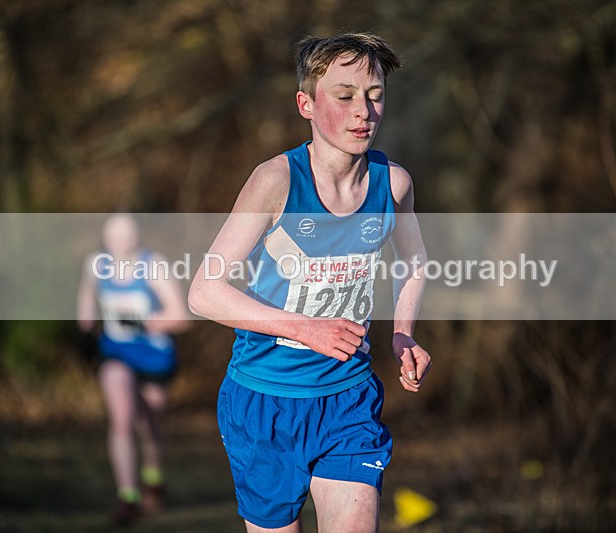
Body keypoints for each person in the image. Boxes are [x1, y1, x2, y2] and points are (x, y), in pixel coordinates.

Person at [189, 33, 432, 532]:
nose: (363, 110)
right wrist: (305, 329)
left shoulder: (395, 184)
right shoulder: (275, 181)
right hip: (264, 403)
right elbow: (203, 292)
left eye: (375, 94)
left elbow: (414, 261)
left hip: (348, 400)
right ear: (307, 103)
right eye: (344, 96)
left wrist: (403, 331)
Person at [76, 213, 191, 526]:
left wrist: (142, 323)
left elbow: (182, 316)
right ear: (105, 236)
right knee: (123, 418)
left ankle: (153, 476)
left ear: (137, 235)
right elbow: (87, 299)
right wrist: (85, 330)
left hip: (155, 358)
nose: (120, 240)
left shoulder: (153, 266)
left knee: (149, 423)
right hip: (116, 354)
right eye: (114, 234)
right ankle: (127, 497)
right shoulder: (96, 265)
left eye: (127, 234)